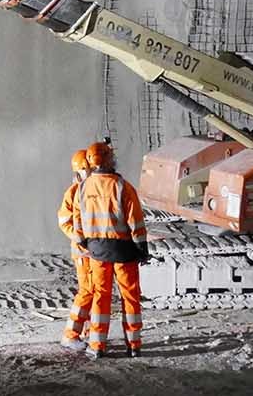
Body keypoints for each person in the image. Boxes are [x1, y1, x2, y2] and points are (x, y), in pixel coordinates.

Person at [73, 140, 148, 359]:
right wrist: (142, 248)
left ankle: (97, 346)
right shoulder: (122, 186)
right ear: (108, 160)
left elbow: (78, 221)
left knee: (100, 297)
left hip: (97, 251)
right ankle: (134, 346)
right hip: (124, 251)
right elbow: (136, 221)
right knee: (130, 298)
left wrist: (83, 243)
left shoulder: (83, 187)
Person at [57, 148, 94, 352]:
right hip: (83, 251)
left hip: (93, 251)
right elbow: (64, 221)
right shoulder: (73, 193)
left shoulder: (92, 191)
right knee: (87, 291)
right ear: (81, 171)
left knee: (95, 292)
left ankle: (89, 333)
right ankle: (70, 335)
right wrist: (81, 239)